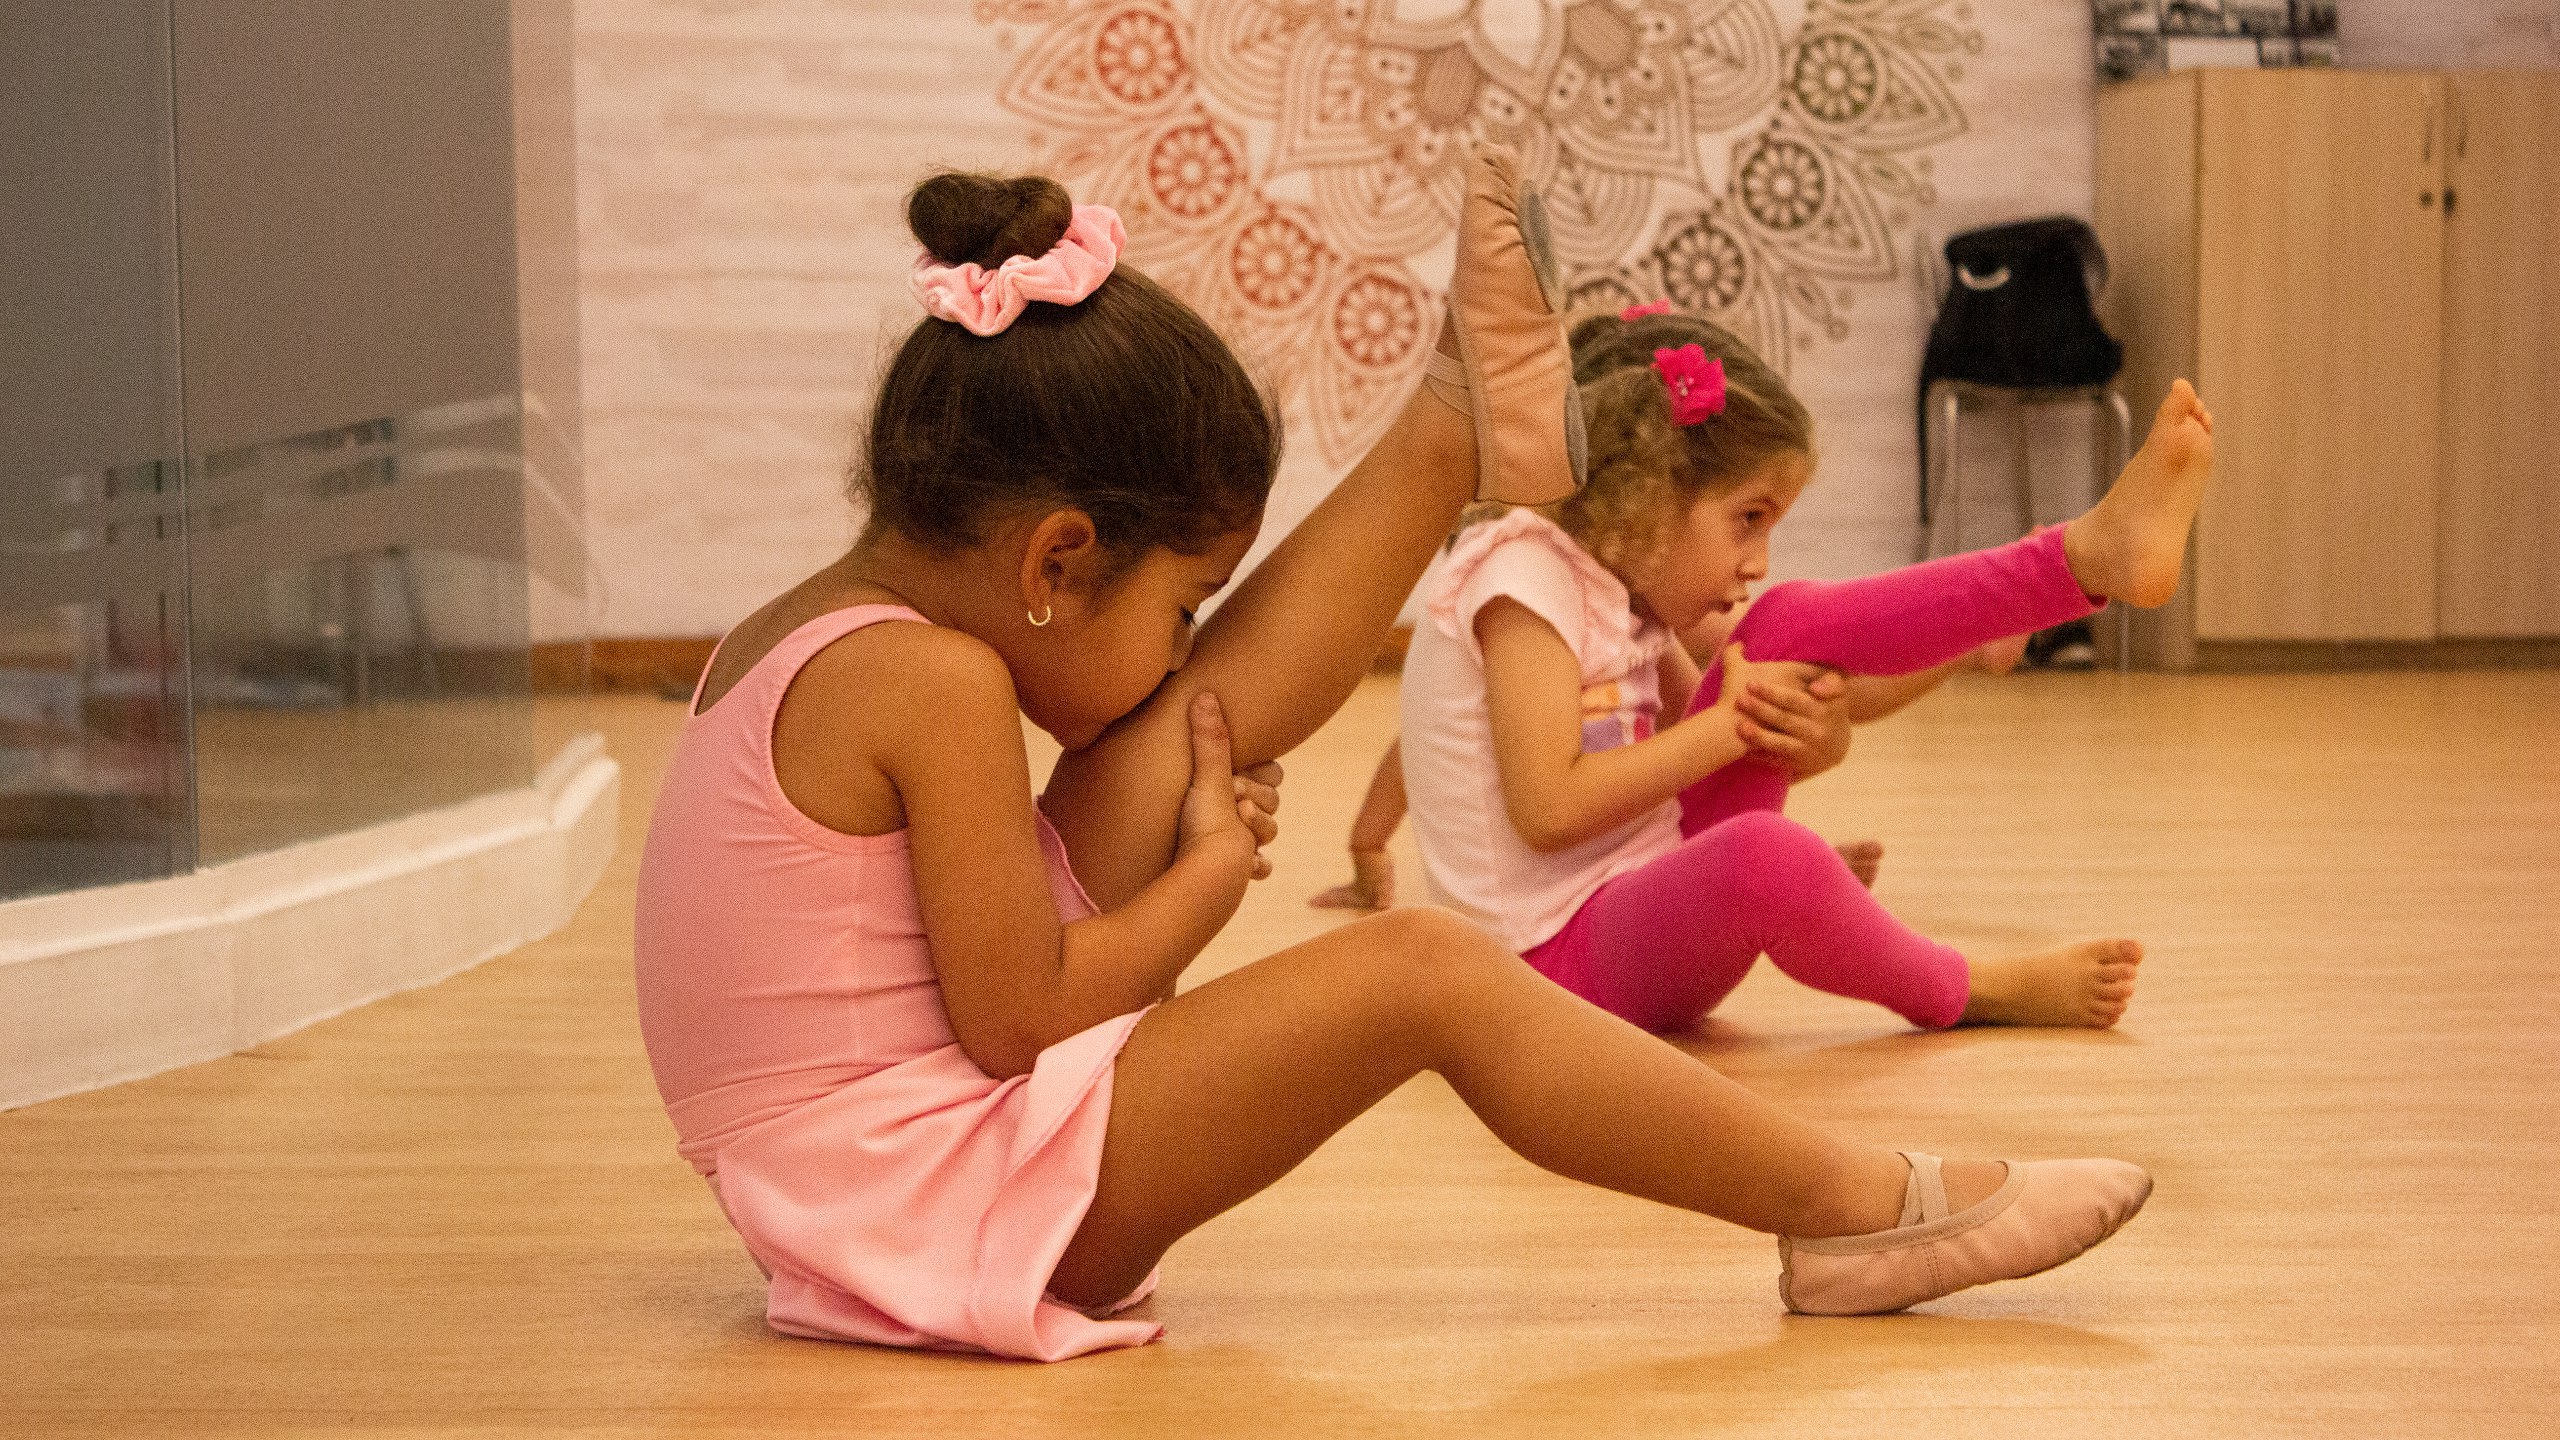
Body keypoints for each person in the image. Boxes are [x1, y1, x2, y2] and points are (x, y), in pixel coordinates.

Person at [632, 155, 2161, 1362]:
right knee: (1419, 972)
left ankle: (1459, 432)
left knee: (1170, 734)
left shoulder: (813, 631)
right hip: (912, 1199)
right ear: (1056, 558)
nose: (1183, 647)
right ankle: (1853, 1210)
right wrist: (1211, 882)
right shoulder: (936, 682)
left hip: (849, 1177)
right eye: (1181, 605)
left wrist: (1169, 802)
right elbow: (1021, 1024)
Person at [1397, 304, 2215, 1036]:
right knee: (1766, 854)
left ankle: (2078, 563)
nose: (1755, 558)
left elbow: (1732, 731)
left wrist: (1808, 740)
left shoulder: (1616, 588)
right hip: (1549, 971)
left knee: (1785, 620)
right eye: (1746, 520)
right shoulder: (1521, 582)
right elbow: (1550, 808)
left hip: (1629, 904)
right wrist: (1732, 731)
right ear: (1646, 494)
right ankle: (1970, 988)